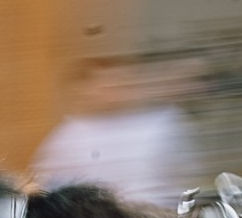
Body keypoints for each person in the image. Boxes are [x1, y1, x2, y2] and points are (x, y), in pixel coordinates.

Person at [31, 54, 200, 207]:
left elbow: (186, 179)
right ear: (82, 91)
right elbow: (50, 196)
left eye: (122, 82)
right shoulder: (64, 141)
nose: (117, 90)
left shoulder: (161, 124)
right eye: (107, 85)